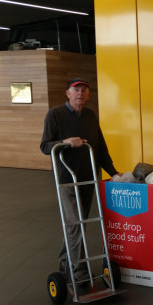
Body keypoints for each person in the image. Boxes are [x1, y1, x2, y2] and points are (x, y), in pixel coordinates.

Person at [40, 78, 119, 282]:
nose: (80, 93)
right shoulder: (55, 115)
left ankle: (65, 262)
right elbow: (45, 146)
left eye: (84, 90)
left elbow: (100, 147)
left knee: (79, 225)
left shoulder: (91, 116)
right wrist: (64, 142)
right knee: (75, 224)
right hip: (67, 179)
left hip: (88, 178)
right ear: (68, 93)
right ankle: (79, 272)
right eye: (76, 90)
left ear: (88, 95)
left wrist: (113, 172)